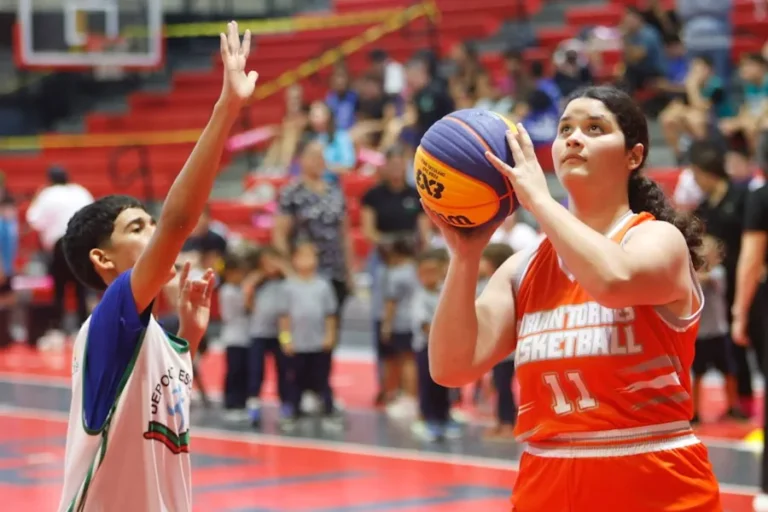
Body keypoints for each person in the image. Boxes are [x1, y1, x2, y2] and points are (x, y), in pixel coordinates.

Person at [426, 85, 720, 510]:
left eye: (594, 128)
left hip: (653, 480)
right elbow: (451, 367)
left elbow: (613, 281)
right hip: (547, 481)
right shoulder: (523, 268)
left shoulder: (657, 239)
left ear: (633, 156)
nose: (574, 138)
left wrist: (539, 201)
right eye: (565, 129)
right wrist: (464, 256)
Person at [56, 22, 258, 512]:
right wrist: (226, 110)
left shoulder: (149, 339)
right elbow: (178, 222)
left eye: (150, 223)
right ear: (103, 260)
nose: (153, 234)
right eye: (136, 228)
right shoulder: (110, 320)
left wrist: (188, 336)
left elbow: (155, 400)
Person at [276, 242, 341, 432]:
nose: (306, 260)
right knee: (294, 379)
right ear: (294, 260)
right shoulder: (288, 286)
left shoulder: (323, 285)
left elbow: (330, 314)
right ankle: (292, 410)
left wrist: (330, 335)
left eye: (310, 256)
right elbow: (284, 317)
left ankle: (328, 409)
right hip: (297, 343)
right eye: (301, 256)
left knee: (322, 378)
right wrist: (286, 339)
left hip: (318, 342)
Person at [691, 235, 742, 424]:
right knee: (698, 374)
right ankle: (695, 412)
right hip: (700, 335)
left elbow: (704, 279)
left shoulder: (718, 273)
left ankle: (732, 407)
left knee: (729, 372)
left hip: (719, 333)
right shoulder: (692, 275)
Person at [218, 253, 250, 421]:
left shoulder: (239, 289)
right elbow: (238, 310)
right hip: (233, 338)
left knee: (244, 371)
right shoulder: (228, 291)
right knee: (234, 371)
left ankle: (241, 402)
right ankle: (230, 402)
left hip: (245, 336)